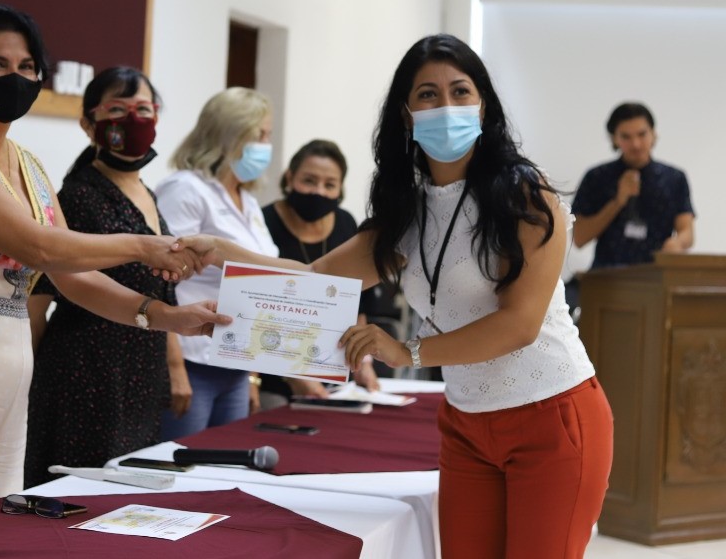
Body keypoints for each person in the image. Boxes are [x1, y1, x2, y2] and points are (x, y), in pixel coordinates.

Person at [177, 34, 614, 559]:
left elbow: (519, 325)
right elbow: (316, 276)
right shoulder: (408, 210)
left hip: (551, 414)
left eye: (460, 91)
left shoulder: (525, 194)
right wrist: (221, 252)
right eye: (428, 94)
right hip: (467, 424)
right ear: (407, 114)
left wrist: (407, 351)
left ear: (483, 105)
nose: (446, 106)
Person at [0, 6, 225, 539]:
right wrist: (143, 247)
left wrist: (165, 317)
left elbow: (73, 279)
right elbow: (37, 246)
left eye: (27, 66)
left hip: (12, 374)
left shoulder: (31, 167)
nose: (14, 78)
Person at [24, 66, 175, 487]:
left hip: (141, 367)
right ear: (89, 123)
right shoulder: (78, 196)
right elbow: (37, 300)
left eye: (143, 109)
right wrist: (28, 382)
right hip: (86, 371)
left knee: (132, 492)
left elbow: (161, 287)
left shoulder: (148, 192)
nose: (133, 120)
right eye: (118, 110)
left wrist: (174, 367)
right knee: (84, 492)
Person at [154, 87, 279, 440]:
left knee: (223, 464)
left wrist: (253, 374)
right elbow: (159, 280)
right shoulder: (185, 189)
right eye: (260, 135)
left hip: (235, 361)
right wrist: (173, 366)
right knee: (181, 463)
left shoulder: (247, 200)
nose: (266, 145)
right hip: (191, 360)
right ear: (229, 134)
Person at [258, 139, 383, 409]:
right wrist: (290, 375)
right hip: (271, 374)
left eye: (330, 185)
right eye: (309, 180)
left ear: (340, 189)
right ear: (289, 178)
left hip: (333, 373)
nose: (318, 192)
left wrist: (363, 363)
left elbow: (359, 302)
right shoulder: (263, 223)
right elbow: (256, 311)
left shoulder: (346, 224)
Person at [572, 102, 694, 268]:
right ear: (614, 138)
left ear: (653, 134)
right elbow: (579, 238)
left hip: (656, 273)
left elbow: (687, 231)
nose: (636, 144)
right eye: (626, 137)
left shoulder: (674, 178)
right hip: (606, 275)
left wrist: (677, 243)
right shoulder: (596, 177)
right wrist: (618, 202)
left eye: (642, 134)